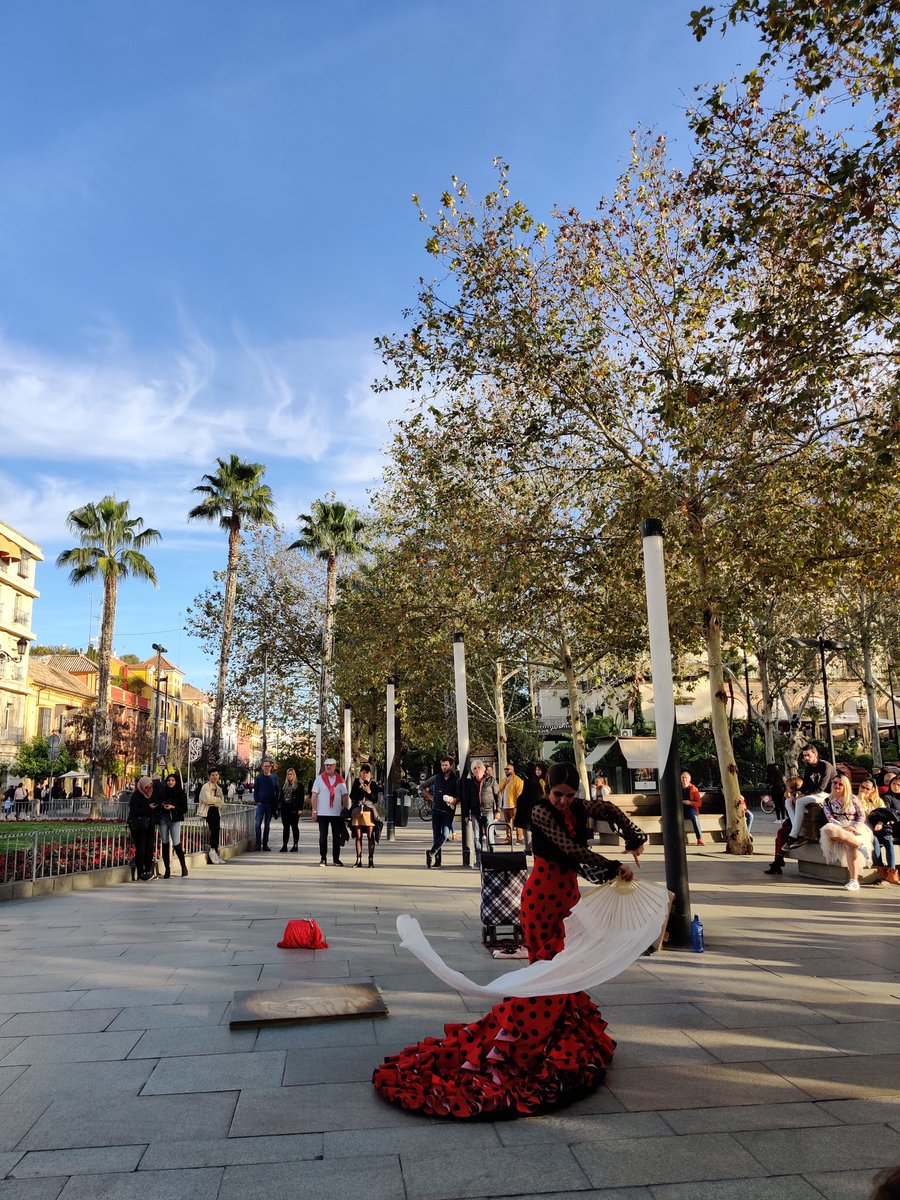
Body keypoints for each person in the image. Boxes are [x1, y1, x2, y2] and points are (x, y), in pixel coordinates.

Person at [372, 761, 648, 1119]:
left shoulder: (579, 807)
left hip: (569, 899)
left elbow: (609, 808)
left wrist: (634, 836)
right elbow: (570, 849)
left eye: (569, 796)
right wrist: (613, 866)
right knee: (547, 974)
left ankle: (556, 1041)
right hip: (541, 903)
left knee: (566, 972)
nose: (564, 801)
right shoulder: (539, 812)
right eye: (557, 794)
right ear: (547, 789)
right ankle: (525, 1045)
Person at [819, 773, 874, 891]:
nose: (837, 786)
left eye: (840, 784)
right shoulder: (827, 800)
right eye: (835, 783)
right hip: (838, 826)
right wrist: (843, 828)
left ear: (846, 786)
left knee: (849, 845)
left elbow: (862, 816)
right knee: (828, 829)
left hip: (854, 825)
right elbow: (830, 818)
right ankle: (860, 846)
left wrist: (854, 827)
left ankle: (854, 881)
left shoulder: (853, 798)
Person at [782, 746, 835, 849]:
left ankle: (792, 837)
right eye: (804, 756)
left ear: (815, 754)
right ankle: (799, 832)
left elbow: (821, 788)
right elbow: (805, 786)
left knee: (800, 801)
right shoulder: (808, 768)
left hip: (827, 794)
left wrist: (803, 795)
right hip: (815, 794)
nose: (806, 758)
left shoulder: (825, 766)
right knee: (789, 801)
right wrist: (796, 794)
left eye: (808, 755)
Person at [460, 761, 500, 868]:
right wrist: (466, 815)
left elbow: (497, 796)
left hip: (488, 812)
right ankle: (479, 860)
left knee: (490, 837)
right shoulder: (470, 783)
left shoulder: (491, 780)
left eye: (478, 768)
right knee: (476, 838)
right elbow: (466, 799)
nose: (477, 770)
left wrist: (498, 811)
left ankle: (492, 858)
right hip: (475, 812)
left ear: (483, 770)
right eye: (474, 768)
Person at [311, 757, 349, 866]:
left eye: (330, 765)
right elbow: (314, 794)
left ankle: (336, 858)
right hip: (322, 813)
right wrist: (314, 810)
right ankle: (323, 858)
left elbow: (345, 795)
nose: (328, 767)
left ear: (335, 766)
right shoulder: (319, 779)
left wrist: (344, 809)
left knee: (336, 837)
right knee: (323, 836)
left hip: (336, 813)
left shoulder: (340, 780)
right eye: (326, 765)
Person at [763, 774, 803, 875]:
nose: (786, 788)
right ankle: (777, 863)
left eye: (788, 786)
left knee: (781, 833)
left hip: (799, 826)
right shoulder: (790, 797)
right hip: (792, 824)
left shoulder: (799, 798)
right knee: (779, 838)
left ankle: (778, 862)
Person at [423, 757, 458, 869]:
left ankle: (431, 852)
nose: (444, 767)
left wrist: (453, 800)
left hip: (448, 811)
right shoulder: (437, 777)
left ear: (451, 766)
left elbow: (459, 796)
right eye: (442, 765)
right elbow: (422, 786)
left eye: (446, 765)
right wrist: (431, 798)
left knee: (445, 834)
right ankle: (437, 861)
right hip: (436, 810)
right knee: (436, 835)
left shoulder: (456, 779)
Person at [865, 775, 900, 885]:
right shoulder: (887, 797)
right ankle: (885, 870)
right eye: (893, 783)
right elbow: (886, 814)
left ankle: (891, 872)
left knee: (887, 840)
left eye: (898, 784)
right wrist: (884, 821)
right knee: (884, 839)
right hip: (888, 827)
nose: (895, 786)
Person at [349, 765, 381, 867]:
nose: (365, 774)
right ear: (360, 773)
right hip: (357, 810)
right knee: (358, 836)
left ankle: (370, 859)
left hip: (368, 811)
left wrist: (369, 791)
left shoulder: (373, 784)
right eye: (363, 772)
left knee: (370, 835)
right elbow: (352, 796)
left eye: (367, 773)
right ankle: (358, 859)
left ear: (370, 774)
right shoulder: (356, 783)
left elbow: (375, 799)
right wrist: (360, 788)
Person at [128, 777, 157, 881]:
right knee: (141, 848)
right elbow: (134, 811)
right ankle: (140, 873)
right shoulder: (136, 796)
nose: (148, 790)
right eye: (146, 787)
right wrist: (148, 808)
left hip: (149, 825)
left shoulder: (152, 795)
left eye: (150, 787)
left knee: (149, 848)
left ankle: (148, 871)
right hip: (138, 826)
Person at [159, 773, 188, 878]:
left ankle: (183, 866)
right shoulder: (163, 792)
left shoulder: (180, 793)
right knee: (165, 843)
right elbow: (158, 803)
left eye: (172, 780)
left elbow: (184, 809)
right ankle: (167, 869)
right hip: (163, 818)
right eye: (168, 780)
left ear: (176, 782)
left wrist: (173, 807)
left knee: (176, 843)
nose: (170, 782)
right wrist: (162, 805)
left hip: (174, 820)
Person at [514, 761, 546, 854]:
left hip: (532, 808)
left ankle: (529, 847)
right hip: (532, 808)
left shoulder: (539, 780)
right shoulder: (534, 780)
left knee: (530, 829)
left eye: (539, 769)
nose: (537, 771)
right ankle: (530, 847)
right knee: (530, 829)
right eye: (536, 769)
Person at [253, 759, 281, 851]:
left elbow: (277, 790)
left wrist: (276, 803)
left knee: (267, 825)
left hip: (270, 805)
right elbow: (256, 790)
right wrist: (257, 800)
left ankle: (265, 845)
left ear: (270, 767)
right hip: (261, 804)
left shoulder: (274, 778)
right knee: (257, 824)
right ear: (262, 767)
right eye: (265, 766)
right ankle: (258, 844)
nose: (266, 768)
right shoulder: (258, 778)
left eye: (268, 766)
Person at [199, 768, 225, 864]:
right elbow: (207, 799)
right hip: (208, 810)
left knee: (217, 830)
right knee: (213, 829)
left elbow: (222, 801)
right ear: (209, 776)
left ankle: (215, 851)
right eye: (213, 775)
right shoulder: (205, 787)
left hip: (216, 810)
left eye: (216, 775)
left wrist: (217, 801)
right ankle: (212, 851)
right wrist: (217, 800)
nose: (215, 777)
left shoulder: (218, 788)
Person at [279, 767, 304, 852]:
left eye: (291, 774)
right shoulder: (284, 785)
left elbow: (301, 798)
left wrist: (300, 808)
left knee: (294, 827)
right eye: (288, 774)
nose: (289, 776)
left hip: (294, 808)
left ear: (294, 775)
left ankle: (295, 845)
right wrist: (279, 806)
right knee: (286, 827)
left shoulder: (299, 785)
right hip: (285, 808)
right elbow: (281, 796)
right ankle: (284, 845)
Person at [499, 762, 524, 842]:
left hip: (513, 805)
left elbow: (519, 794)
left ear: (512, 770)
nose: (506, 771)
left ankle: (519, 839)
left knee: (517, 823)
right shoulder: (504, 780)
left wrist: (517, 806)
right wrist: (504, 784)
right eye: (505, 769)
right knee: (507, 823)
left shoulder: (517, 780)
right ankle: (508, 838)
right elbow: (498, 789)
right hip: (505, 805)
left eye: (507, 769)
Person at [680, 771, 705, 845]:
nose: (684, 780)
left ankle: (699, 839)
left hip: (690, 808)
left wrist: (690, 802)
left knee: (694, 817)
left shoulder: (693, 789)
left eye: (686, 778)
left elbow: (699, 803)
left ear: (689, 779)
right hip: (679, 809)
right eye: (683, 778)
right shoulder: (677, 787)